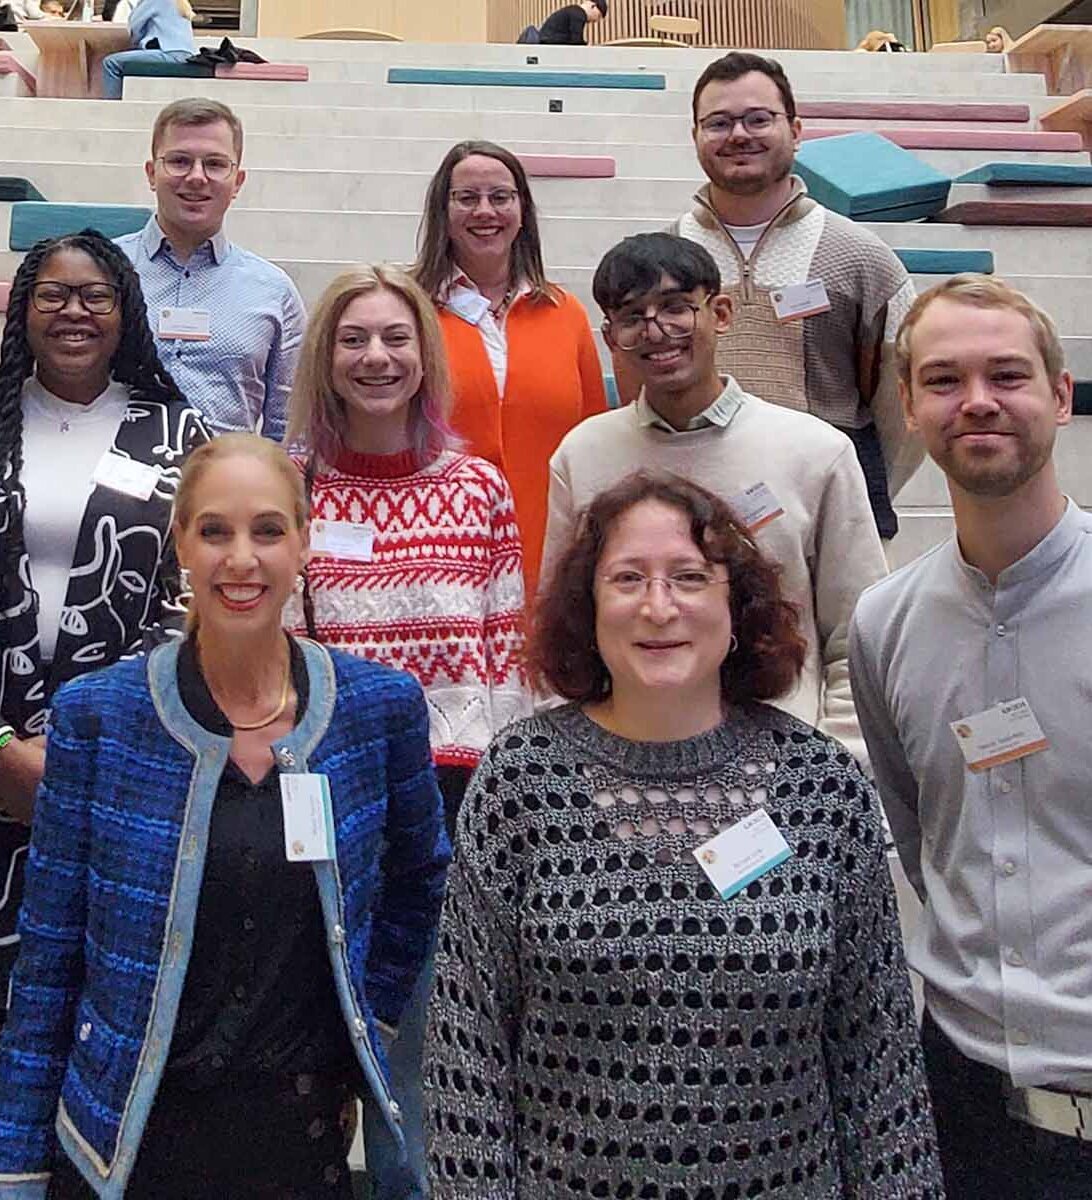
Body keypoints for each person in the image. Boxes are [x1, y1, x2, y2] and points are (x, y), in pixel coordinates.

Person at [425, 469, 944, 1199]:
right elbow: (467, 1051)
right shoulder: (520, 783)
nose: (658, 607)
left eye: (690, 577)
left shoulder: (822, 787)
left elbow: (878, 1058)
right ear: (589, 606)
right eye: (628, 578)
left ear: (738, 607)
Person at [0, 433, 450, 1199]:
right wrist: (9, 1172)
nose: (242, 559)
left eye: (268, 530)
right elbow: (49, 963)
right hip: (124, 1153)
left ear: (304, 542)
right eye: (215, 531)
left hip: (295, 1143)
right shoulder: (99, 718)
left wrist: (369, 1020)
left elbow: (422, 879)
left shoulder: (378, 711)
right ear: (180, 548)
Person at [0, 228, 208, 1091]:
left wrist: (76, 753)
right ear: (22, 311)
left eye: (96, 295)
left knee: (102, 1003)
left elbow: (187, 606)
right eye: (52, 294)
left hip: (118, 768)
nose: (74, 311)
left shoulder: (179, 435)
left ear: (126, 313)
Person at [286, 265, 532, 1200]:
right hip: (325, 794)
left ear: (426, 357)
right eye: (354, 340)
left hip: (452, 798)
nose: (376, 358)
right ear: (326, 358)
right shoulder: (295, 483)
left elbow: (506, 648)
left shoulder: (476, 487)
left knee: (421, 1047)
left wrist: (510, 809)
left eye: (396, 339)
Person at [849, 276, 1091, 1198]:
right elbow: (922, 839)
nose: (977, 401)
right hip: (960, 1103)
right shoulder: (885, 622)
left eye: (1008, 375)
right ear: (907, 406)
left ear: (1060, 398)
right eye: (944, 380)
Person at [544, 233, 885, 763]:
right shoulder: (582, 455)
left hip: (781, 767)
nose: (657, 331)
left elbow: (858, 637)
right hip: (622, 770)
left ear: (721, 312)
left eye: (678, 308)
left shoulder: (815, 450)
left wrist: (832, 761)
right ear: (611, 338)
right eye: (634, 316)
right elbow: (565, 627)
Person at [672, 52, 922, 539]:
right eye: (719, 122)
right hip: (693, 516)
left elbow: (904, 406)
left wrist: (846, 481)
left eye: (759, 119)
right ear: (696, 136)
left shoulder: (861, 257)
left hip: (832, 517)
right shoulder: (666, 256)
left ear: (797, 129)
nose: (739, 134)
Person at [412, 140, 608, 594]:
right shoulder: (407, 310)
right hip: (433, 548)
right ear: (444, 211)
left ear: (523, 211)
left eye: (501, 197)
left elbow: (594, 438)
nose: (486, 211)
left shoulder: (566, 313)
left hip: (550, 549)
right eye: (467, 198)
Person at [116, 98, 306, 441]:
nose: (196, 177)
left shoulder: (274, 292)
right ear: (150, 174)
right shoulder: (103, 270)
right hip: (107, 484)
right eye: (179, 161)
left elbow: (289, 430)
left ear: (237, 182)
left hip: (225, 490)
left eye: (216, 164)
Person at [100, 0, 195, 100]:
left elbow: (134, 25)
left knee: (111, 63)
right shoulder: (180, 2)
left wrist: (136, 43)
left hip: (169, 52)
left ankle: (113, 106)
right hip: (186, 54)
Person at [519, 0, 607, 44]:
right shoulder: (579, 14)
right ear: (593, 6)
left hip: (545, 42)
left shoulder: (572, 10)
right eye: (598, 16)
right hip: (549, 45)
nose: (595, 20)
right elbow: (576, 41)